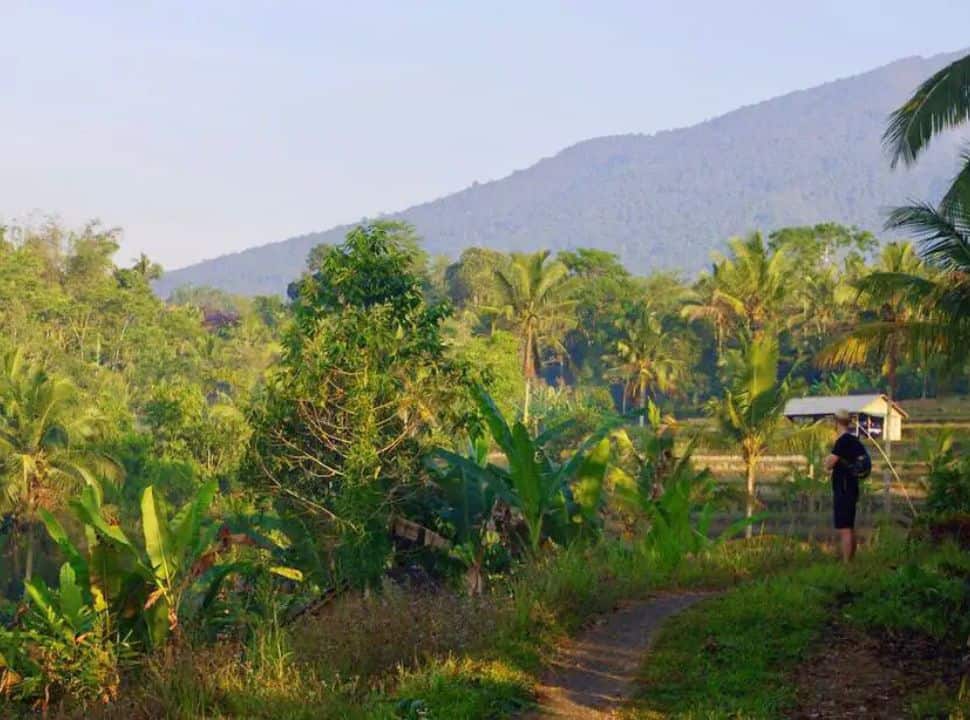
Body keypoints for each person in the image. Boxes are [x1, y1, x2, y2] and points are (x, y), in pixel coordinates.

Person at [824, 409, 866, 562]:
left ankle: (847, 562)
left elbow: (829, 464)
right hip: (852, 487)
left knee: (844, 528)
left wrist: (827, 459)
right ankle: (851, 560)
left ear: (836, 423)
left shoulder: (843, 441)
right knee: (849, 525)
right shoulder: (855, 440)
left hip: (843, 488)